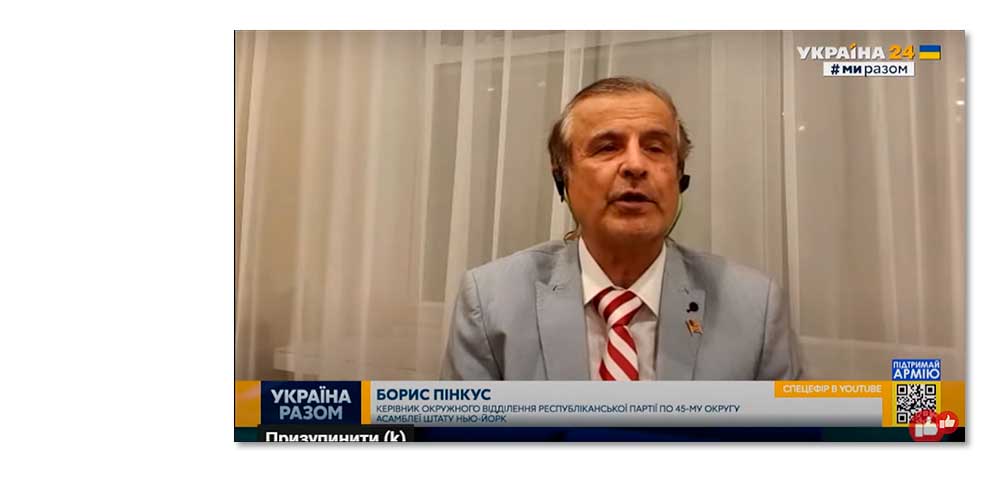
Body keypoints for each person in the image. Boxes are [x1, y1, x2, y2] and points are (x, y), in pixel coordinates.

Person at [441, 76, 804, 381]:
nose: (635, 165)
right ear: (562, 179)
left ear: (679, 178)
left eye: (656, 148)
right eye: (607, 147)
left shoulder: (756, 306)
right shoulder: (491, 301)